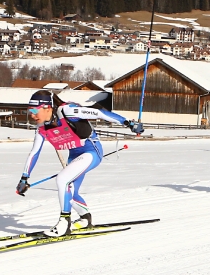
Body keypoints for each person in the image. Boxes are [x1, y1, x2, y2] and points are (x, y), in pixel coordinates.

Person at [15, 90, 137, 237]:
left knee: (62, 180)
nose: (32, 115)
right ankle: (85, 218)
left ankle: (64, 223)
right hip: (74, 156)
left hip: (91, 152)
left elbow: (98, 113)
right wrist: (24, 177)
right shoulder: (41, 128)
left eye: (35, 110)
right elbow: (34, 152)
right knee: (69, 193)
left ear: (47, 107)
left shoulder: (68, 111)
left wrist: (128, 123)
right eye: (29, 111)